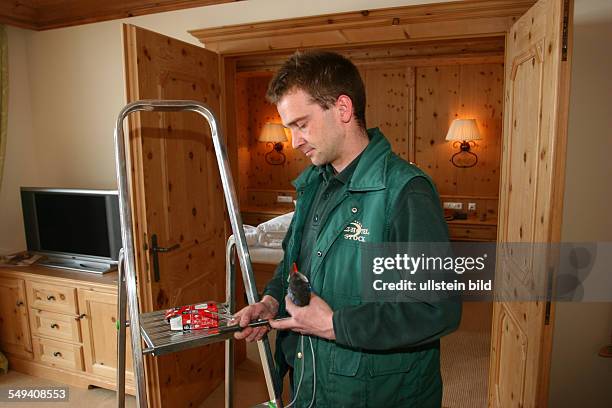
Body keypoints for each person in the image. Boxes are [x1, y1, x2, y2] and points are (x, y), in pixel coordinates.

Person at [233, 50, 461, 407]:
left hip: (376, 395)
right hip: (311, 380)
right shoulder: (313, 184)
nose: (294, 142)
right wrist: (270, 300)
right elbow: (294, 264)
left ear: (342, 109)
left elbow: (438, 309)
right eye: (289, 128)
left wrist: (335, 324)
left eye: (301, 124)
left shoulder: (406, 192)